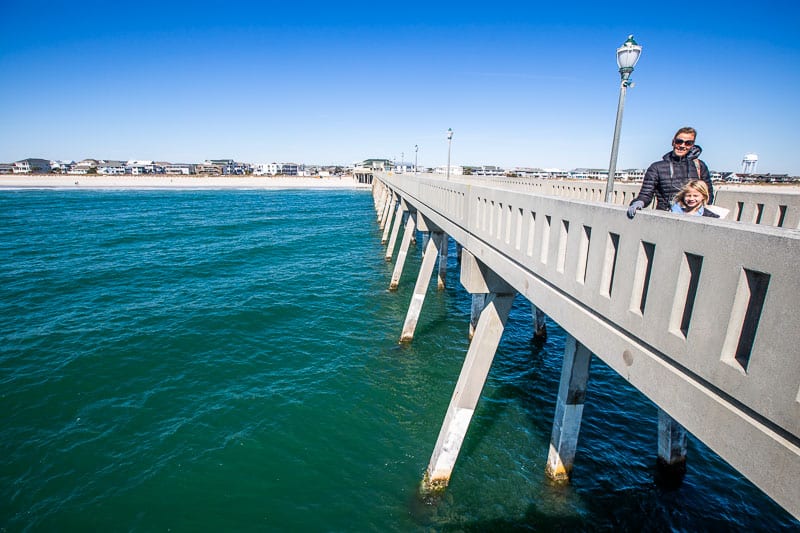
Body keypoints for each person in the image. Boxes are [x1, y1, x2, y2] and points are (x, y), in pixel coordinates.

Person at [627, 127, 714, 218]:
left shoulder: (699, 166)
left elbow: (708, 194)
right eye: (679, 141)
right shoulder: (656, 167)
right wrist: (638, 203)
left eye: (688, 143)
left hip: (695, 218)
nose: (682, 145)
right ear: (673, 142)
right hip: (666, 216)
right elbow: (646, 194)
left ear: (692, 145)